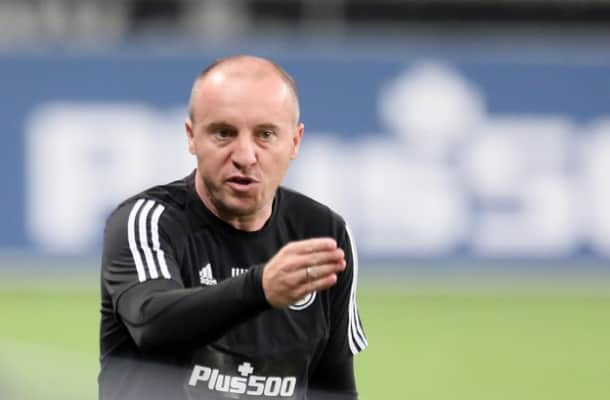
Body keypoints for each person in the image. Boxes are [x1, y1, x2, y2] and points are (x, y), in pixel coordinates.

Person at [99, 55, 367, 400]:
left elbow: (333, 388)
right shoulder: (147, 220)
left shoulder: (324, 233)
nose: (245, 156)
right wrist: (260, 289)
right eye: (224, 133)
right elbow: (152, 323)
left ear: (295, 142)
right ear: (191, 136)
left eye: (265, 135)